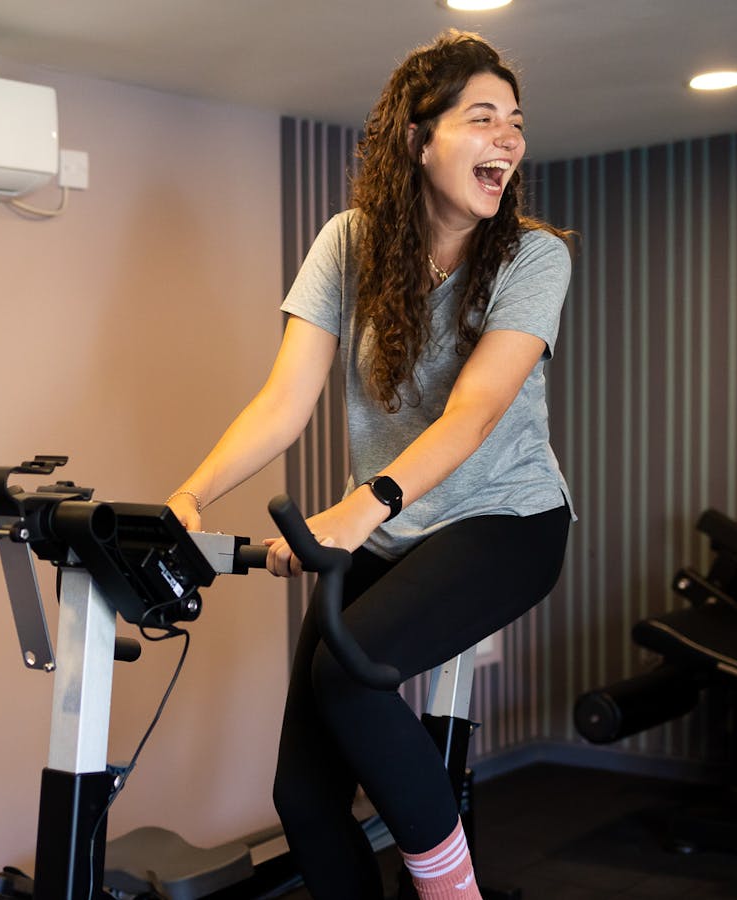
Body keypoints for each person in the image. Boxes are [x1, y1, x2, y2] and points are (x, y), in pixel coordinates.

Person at [164, 30, 574, 900]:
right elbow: (284, 401)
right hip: (392, 529)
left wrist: (362, 506)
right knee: (304, 798)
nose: (509, 138)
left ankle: (452, 891)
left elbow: (476, 411)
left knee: (346, 680)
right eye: (483, 117)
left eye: (517, 123)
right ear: (419, 140)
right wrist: (191, 493)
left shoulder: (536, 256)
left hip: (508, 522)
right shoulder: (349, 245)